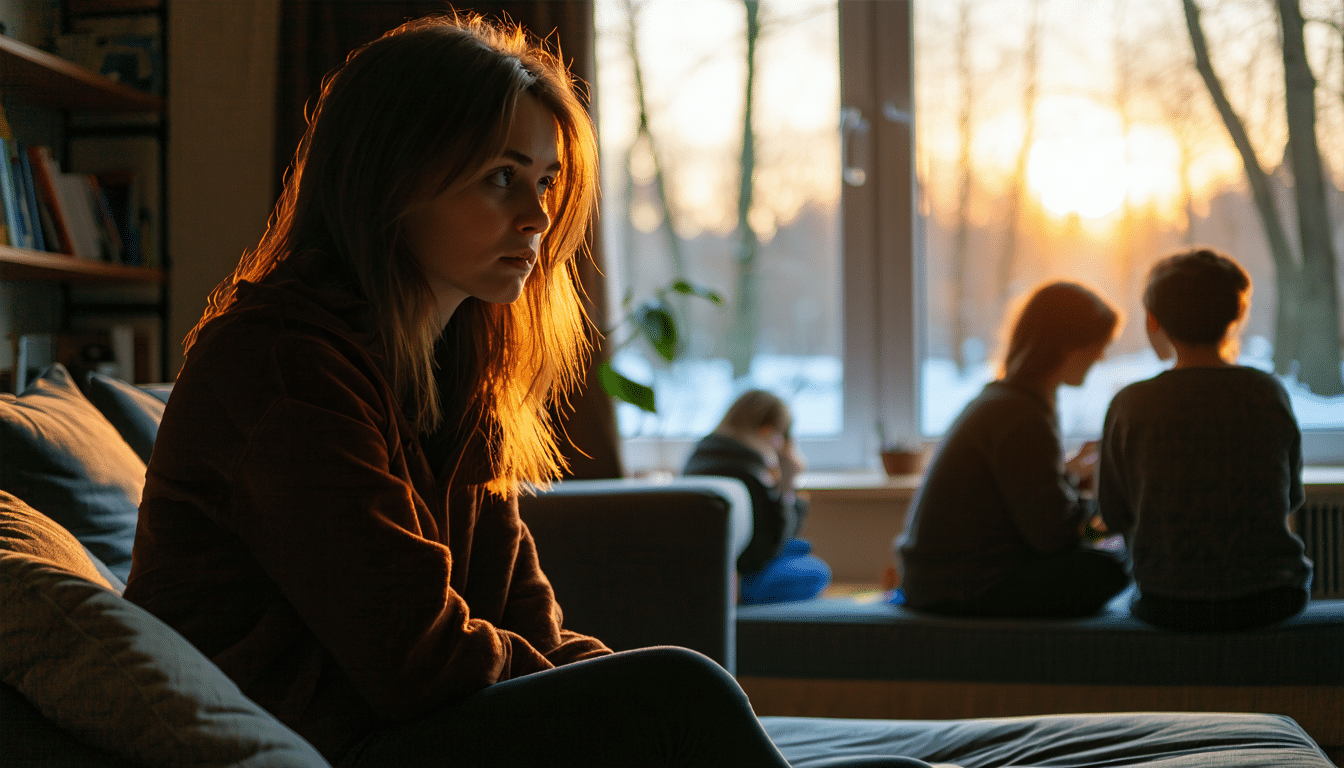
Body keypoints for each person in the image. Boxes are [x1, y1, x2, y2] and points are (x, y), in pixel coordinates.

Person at [122, 14, 934, 768]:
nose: (539, 216)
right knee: (681, 688)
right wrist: (636, 702)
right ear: (389, 177)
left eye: (545, 180)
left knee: (675, 697)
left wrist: (611, 689)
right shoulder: (280, 365)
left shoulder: (454, 373)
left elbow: (525, 617)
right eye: (501, 178)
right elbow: (416, 659)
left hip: (406, 724)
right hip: (324, 740)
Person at [1099, 248, 1312, 632]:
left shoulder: (1130, 404)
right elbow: (1291, 497)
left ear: (1153, 321)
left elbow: (1115, 514)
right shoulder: (1267, 393)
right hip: (1273, 598)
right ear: (1236, 317)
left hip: (1166, 603)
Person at [896, 281, 1129, 618]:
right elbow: (1053, 537)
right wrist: (1112, 511)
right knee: (1116, 566)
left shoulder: (1005, 400)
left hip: (937, 582)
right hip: (964, 588)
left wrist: (1068, 476)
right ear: (1069, 347)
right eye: (1099, 344)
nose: (1102, 355)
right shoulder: (1022, 415)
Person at [684, 389, 831, 604]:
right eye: (782, 436)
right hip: (735, 573)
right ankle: (739, 594)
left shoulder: (706, 452)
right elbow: (769, 547)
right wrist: (787, 486)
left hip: (712, 563)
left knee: (801, 546)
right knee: (818, 572)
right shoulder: (749, 470)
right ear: (766, 431)